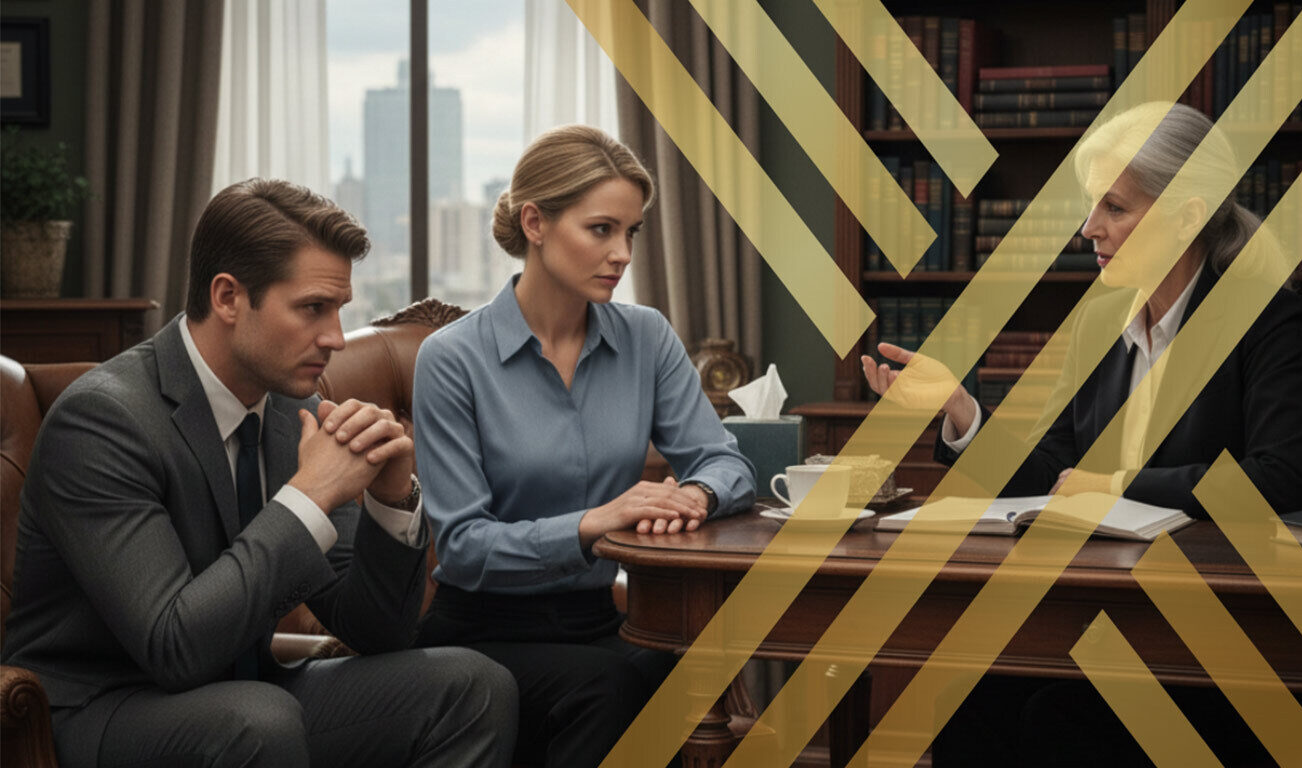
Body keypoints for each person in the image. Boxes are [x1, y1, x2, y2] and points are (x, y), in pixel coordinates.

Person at [862, 102, 1302, 766]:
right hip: (1094, 600)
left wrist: (1115, 484)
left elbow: (1281, 479)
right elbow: (1054, 472)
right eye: (1092, 206)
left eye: (1114, 207)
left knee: (1056, 722)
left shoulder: (1260, 315)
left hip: (1211, 628)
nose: (1090, 228)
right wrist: (962, 412)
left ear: (1188, 215)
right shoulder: (1098, 321)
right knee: (967, 698)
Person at [2, 179, 518, 768]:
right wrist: (309, 495)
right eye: (313, 308)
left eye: (339, 310)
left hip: (251, 701)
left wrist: (391, 498)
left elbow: (377, 633)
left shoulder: (291, 413)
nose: (335, 338)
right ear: (228, 297)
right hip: (101, 711)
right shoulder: (102, 420)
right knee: (257, 718)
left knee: (473, 686)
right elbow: (173, 648)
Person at [412, 125, 756, 767]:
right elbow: (462, 547)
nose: (621, 253)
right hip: (482, 632)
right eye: (601, 229)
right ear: (535, 223)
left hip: (600, 618)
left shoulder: (646, 336)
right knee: (611, 687)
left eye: (631, 232)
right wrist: (593, 524)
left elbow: (724, 461)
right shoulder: (451, 358)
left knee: (682, 673)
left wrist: (698, 494)